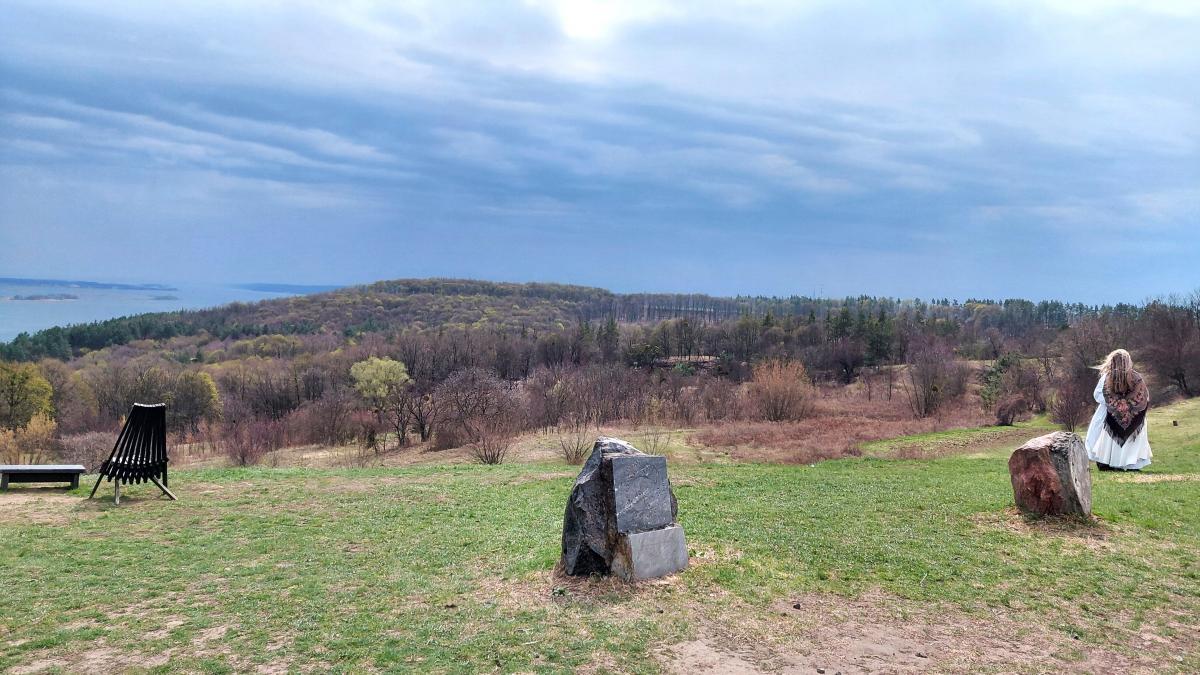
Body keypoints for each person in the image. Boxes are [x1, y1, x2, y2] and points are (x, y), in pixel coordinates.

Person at [1085, 349, 1151, 471]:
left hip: (1111, 414)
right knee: (1131, 441)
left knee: (1107, 440)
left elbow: (1098, 395)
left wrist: (1115, 405)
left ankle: (1108, 462)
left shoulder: (1107, 378)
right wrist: (1128, 407)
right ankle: (1130, 464)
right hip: (1131, 416)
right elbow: (1145, 397)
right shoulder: (1136, 378)